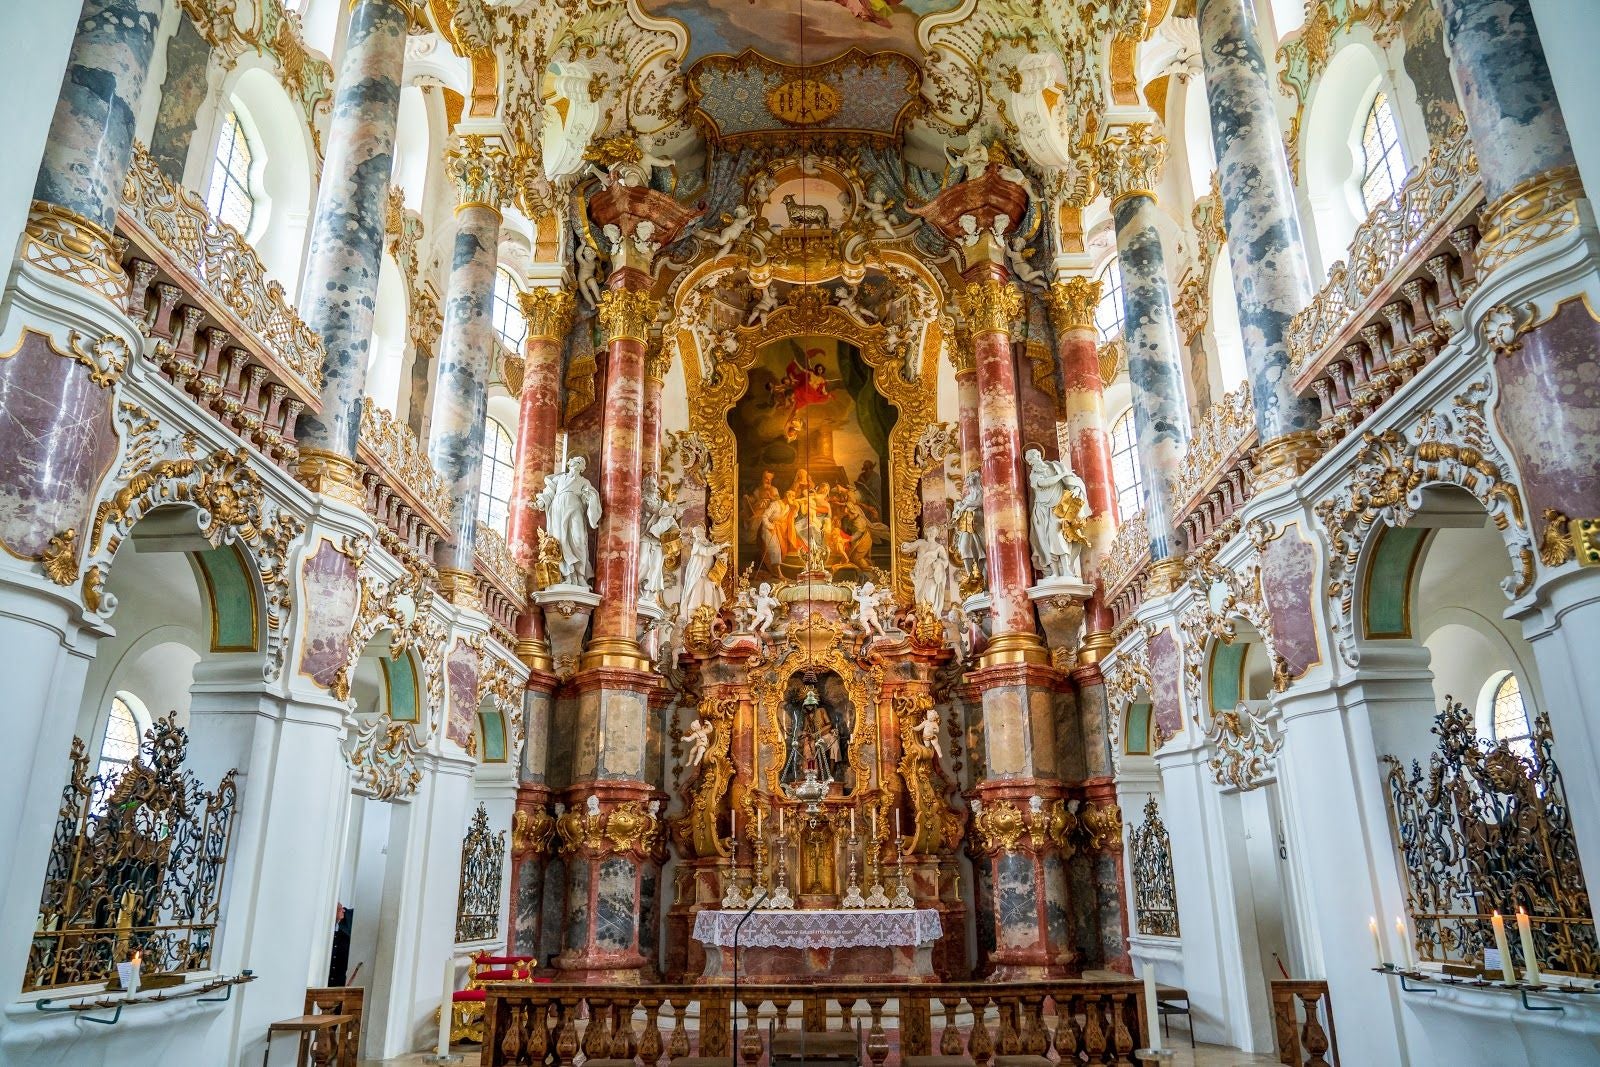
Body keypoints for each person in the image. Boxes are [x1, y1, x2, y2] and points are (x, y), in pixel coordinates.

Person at [532, 456, 603, 588]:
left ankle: (581, 576)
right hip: (558, 510)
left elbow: (592, 497)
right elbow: (548, 493)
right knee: (561, 541)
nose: (578, 462)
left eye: (581, 462)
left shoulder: (584, 481)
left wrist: (589, 497)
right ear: (569, 464)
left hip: (575, 508)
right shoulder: (558, 479)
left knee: (578, 539)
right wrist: (541, 501)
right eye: (576, 460)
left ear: (583, 468)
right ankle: (567, 576)